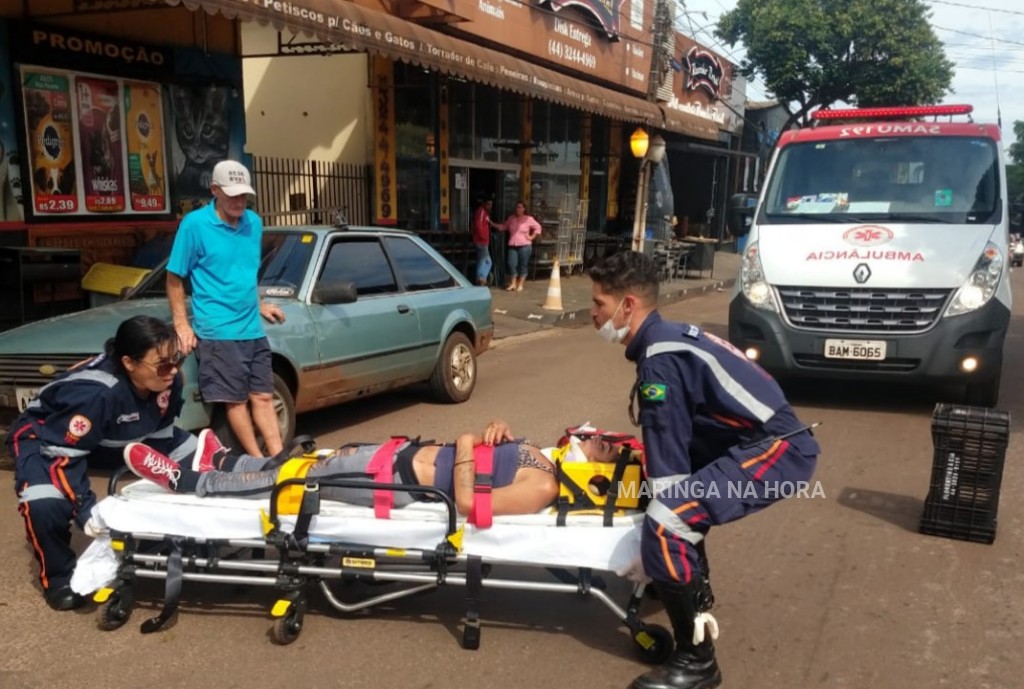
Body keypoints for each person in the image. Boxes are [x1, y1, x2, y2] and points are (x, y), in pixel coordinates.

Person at [588, 251, 820, 689]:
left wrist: (657, 542)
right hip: (753, 441)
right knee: (672, 506)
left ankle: (697, 663)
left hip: (777, 451)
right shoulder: (666, 340)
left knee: (668, 518)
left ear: (628, 306)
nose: (592, 314)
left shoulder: (660, 357)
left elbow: (669, 464)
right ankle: (688, 586)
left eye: (599, 304)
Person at [7, 316, 212, 610]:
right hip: (49, 441)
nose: (174, 371)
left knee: (194, 456)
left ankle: (179, 538)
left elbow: (161, 435)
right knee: (46, 502)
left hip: (111, 435)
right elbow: (65, 459)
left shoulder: (168, 379)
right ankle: (59, 576)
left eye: (177, 360)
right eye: (163, 364)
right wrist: (91, 513)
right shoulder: (96, 394)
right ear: (129, 363)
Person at [122, 420, 633, 517]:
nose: (596, 438)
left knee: (295, 482)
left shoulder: (543, 486)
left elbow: (468, 504)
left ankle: (191, 481)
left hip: (401, 484)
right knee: (312, 460)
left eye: (605, 447)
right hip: (399, 458)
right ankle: (230, 460)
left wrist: (468, 442)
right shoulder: (544, 457)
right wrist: (499, 431)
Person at [166, 159, 285, 458]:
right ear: (214, 190)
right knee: (235, 401)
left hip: (252, 330)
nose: (239, 201)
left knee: (262, 395)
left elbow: (245, 270)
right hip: (219, 331)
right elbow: (174, 277)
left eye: (244, 195)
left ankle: (279, 456)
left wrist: (259, 303)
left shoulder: (253, 223)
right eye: (232, 195)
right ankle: (259, 463)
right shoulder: (195, 225)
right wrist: (182, 325)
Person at [495, 200, 542, 292]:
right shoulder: (511, 218)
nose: (518, 209)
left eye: (520, 207)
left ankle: (520, 284)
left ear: (524, 209)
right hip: (513, 245)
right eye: (517, 207)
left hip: (525, 245)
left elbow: (538, 227)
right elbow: (504, 226)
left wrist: (532, 237)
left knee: (523, 265)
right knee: (511, 264)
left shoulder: (528, 219)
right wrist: (491, 223)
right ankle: (513, 283)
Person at [472, 199, 500, 286]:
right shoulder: (481, 211)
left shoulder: (485, 213)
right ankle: (481, 278)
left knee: (485, 260)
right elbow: (478, 225)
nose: (489, 206)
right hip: (481, 241)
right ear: (484, 204)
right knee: (485, 260)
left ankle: (481, 278)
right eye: (488, 204)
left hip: (483, 240)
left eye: (491, 204)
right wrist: (483, 237)